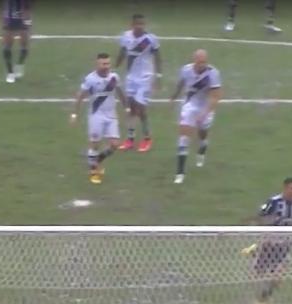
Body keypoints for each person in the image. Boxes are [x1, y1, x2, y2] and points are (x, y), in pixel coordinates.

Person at [242, 177, 292, 304]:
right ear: (285, 188)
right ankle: (255, 249)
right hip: (270, 243)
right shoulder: (274, 202)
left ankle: (261, 300)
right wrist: (264, 224)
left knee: (278, 277)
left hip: (285, 245)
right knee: (258, 274)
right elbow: (260, 217)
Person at [71, 53, 127, 184]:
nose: (106, 66)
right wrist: (74, 114)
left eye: (108, 63)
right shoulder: (90, 79)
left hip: (111, 115)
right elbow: (80, 96)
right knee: (95, 144)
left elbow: (120, 92)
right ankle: (94, 171)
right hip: (96, 115)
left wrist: (127, 108)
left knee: (115, 145)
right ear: (97, 64)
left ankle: (96, 160)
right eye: (103, 64)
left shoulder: (114, 77)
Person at [169, 49, 222, 184]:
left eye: (204, 62)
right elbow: (181, 83)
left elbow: (215, 96)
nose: (202, 65)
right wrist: (174, 96)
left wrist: (204, 113)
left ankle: (203, 146)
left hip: (206, 106)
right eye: (199, 62)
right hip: (190, 105)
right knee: (184, 137)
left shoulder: (213, 74)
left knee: (203, 132)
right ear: (194, 61)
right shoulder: (186, 70)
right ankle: (180, 172)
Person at [115, 14, 162, 153]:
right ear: (132, 24)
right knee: (131, 107)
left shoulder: (150, 39)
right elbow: (122, 52)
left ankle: (147, 138)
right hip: (131, 78)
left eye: (142, 24)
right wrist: (115, 67)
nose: (139, 26)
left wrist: (159, 76)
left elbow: (158, 57)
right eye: (137, 24)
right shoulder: (126, 36)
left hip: (145, 78)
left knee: (140, 108)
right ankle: (130, 138)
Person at [0, 0, 32, 83]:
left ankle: (20, 65)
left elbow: (27, 6)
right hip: (9, 17)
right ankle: (10, 73)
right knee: (7, 46)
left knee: (24, 44)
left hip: (22, 16)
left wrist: (28, 20)